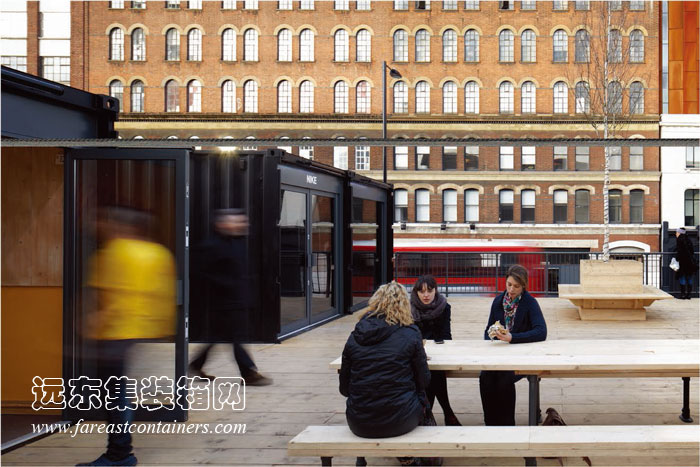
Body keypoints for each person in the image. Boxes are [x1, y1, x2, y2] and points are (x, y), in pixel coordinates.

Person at [80, 208, 176, 466]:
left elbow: (105, 296)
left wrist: (91, 326)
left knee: (115, 395)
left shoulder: (112, 253)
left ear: (119, 226)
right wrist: (163, 328)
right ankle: (121, 451)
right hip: (144, 333)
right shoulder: (158, 254)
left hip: (114, 333)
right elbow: (166, 295)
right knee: (120, 393)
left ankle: (120, 453)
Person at [340, 281, 440, 466]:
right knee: (418, 397)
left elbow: (345, 389)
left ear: (375, 302)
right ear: (404, 304)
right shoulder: (411, 333)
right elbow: (424, 381)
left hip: (358, 422)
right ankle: (409, 457)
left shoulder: (355, 335)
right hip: (402, 420)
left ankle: (362, 457)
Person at [188, 209, 272, 386]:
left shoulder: (236, 243)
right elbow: (200, 273)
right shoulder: (211, 246)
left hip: (236, 299)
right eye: (238, 222)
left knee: (219, 336)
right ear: (222, 224)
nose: (243, 225)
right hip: (223, 301)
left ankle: (196, 365)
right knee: (235, 337)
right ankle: (248, 373)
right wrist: (226, 286)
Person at [479, 264, 547, 426]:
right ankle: (490, 422)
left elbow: (541, 331)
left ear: (523, 286)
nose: (511, 289)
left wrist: (512, 337)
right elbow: (486, 332)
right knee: (485, 377)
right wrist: (493, 335)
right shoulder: (498, 302)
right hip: (499, 356)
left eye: (516, 286)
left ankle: (508, 424)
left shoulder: (530, 303)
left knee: (504, 378)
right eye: (509, 284)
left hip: (522, 357)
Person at [410, 275, 461, 426]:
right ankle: (448, 413)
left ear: (435, 291)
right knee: (431, 371)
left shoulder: (444, 307)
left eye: (429, 291)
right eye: (422, 291)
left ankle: (429, 413)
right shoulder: (410, 308)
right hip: (417, 353)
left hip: (438, 351)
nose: (426, 295)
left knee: (434, 371)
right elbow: (410, 336)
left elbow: (446, 336)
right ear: (416, 292)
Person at [674, 227, 697, 300]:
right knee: (689, 277)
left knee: (682, 277)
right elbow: (692, 251)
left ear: (679, 233)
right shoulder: (689, 239)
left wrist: (677, 258)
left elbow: (680, 251)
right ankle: (689, 295)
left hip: (683, 262)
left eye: (677, 232)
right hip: (690, 262)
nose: (676, 234)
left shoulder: (679, 240)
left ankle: (683, 294)